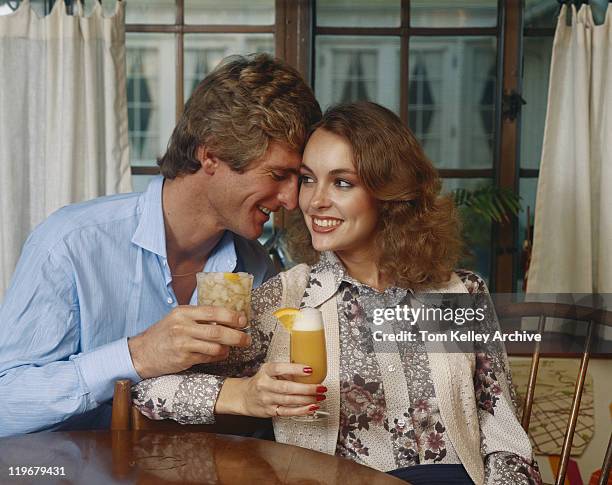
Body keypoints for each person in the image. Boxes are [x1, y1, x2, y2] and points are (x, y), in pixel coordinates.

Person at [133, 101, 542, 485]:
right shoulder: (289, 299)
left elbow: (501, 426)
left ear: (389, 194)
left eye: (342, 182)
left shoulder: (459, 292)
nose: (314, 201)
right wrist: (247, 395)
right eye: (309, 180)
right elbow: (152, 391)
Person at [0, 53, 322, 437]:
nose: (290, 199)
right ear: (211, 153)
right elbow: (6, 405)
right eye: (278, 174)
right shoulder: (70, 244)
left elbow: (252, 416)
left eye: (297, 179)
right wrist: (137, 355)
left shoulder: (255, 266)